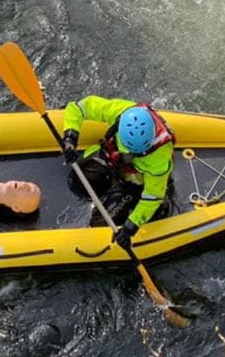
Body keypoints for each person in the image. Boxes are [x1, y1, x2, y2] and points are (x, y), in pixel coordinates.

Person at [60, 95, 175, 250]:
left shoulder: (159, 158)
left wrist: (130, 227)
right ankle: (108, 188)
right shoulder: (123, 111)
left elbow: (152, 196)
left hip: (136, 181)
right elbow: (79, 107)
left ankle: (143, 205)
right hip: (114, 161)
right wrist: (70, 138)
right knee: (78, 180)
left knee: (100, 223)